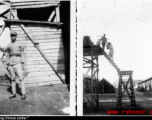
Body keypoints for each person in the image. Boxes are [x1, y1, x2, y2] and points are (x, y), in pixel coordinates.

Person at [5, 31, 26, 100]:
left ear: (16, 36)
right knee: (13, 79)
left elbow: (22, 53)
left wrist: (22, 62)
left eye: (14, 36)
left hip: (18, 62)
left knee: (21, 78)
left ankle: (23, 94)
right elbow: (8, 55)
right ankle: (13, 93)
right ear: (10, 36)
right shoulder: (9, 45)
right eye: (11, 36)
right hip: (11, 63)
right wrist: (7, 64)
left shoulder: (19, 44)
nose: (12, 37)